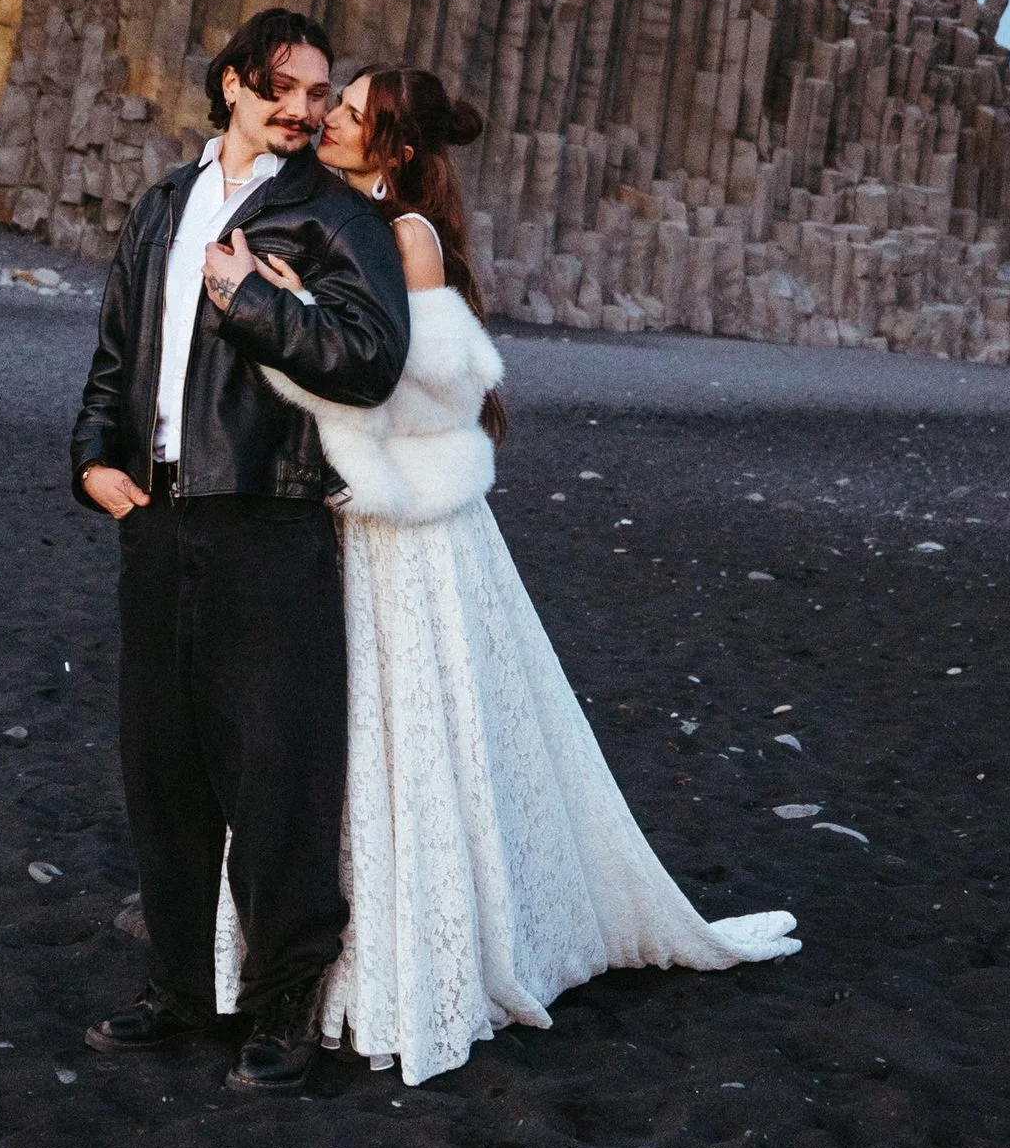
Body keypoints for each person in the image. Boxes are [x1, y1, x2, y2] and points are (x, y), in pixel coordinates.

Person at [226, 65, 799, 1086]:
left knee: (401, 725)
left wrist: (286, 329)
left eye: (350, 117)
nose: (327, 125)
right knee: (331, 731)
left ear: (395, 149)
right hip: (348, 512)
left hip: (405, 518)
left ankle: (403, 961)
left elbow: (429, 393)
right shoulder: (337, 219)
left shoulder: (403, 237)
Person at [70, 6, 409, 1093]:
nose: (306, 110)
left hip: (271, 515)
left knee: (277, 775)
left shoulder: (333, 216)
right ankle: (176, 991)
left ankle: (280, 1010)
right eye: (285, 88)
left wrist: (256, 301)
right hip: (155, 517)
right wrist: (88, 462)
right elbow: (116, 350)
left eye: (320, 93)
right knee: (161, 771)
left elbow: (370, 360)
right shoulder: (164, 203)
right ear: (231, 86)